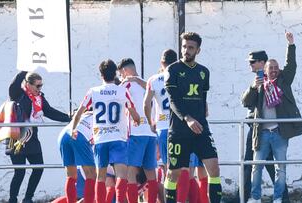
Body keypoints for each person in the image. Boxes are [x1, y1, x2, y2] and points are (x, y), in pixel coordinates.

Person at [242, 32, 302, 203]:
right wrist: (252, 88)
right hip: (261, 132)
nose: (274, 71)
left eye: (276, 68)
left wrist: (291, 45)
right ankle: (254, 197)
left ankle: (279, 198)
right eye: (271, 69)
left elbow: (291, 65)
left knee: (280, 169)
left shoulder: (284, 80)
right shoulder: (259, 83)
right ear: (266, 70)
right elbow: (246, 102)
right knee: (256, 167)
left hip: (279, 132)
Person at [163, 32, 222, 203]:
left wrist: (202, 111)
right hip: (179, 130)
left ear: (198, 50)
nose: (186, 51)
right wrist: (187, 118)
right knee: (173, 173)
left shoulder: (204, 72)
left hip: (200, 129)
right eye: (184, 46)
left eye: (190, 47)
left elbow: (203, 98)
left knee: (214, 168)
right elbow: (173, 100)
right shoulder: (172, 70)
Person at [71, 59, 140, 203]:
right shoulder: (123, 90)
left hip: (101, 139)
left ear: (101, 75)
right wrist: (136, 120)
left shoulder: (93, 91)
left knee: (101, 177)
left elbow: (79, 113)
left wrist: (73, 129)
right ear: (115, 73)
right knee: (122, 175)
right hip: (118, 139)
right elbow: (134, 113)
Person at [7, 71, 71, 203]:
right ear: (28, 84)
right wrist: (25, 70)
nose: (40, 88)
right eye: (37, 86)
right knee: (20, 172)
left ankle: (28, 198)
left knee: (38, 168)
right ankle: (12, 199)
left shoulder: (39, 98)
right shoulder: (18, 95)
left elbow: (49, 112)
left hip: (32, 138)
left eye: (41, 85)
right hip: (17, 138)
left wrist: (69, 118)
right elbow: (12, 86)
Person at [117, 58, 159, 203]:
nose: (121, 78)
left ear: (124, 71)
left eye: (121, 75)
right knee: (151, 172)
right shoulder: (148, 83)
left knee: (130, 172)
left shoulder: (126, 84)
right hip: (151, 133)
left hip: (136, 133)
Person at [233, 108, 290, 203]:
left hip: (273, 128)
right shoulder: (257, 92)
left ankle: (281, 197)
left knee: (273, 165)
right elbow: (246, 101)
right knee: (250, 163)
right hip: (257, 126)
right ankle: (245, 196)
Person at [57, 110, 96, 203]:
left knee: (71, 175)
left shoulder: (85, 114)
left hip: (64, 134)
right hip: (79, 135)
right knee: (91, 175)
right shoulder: (102, 116)